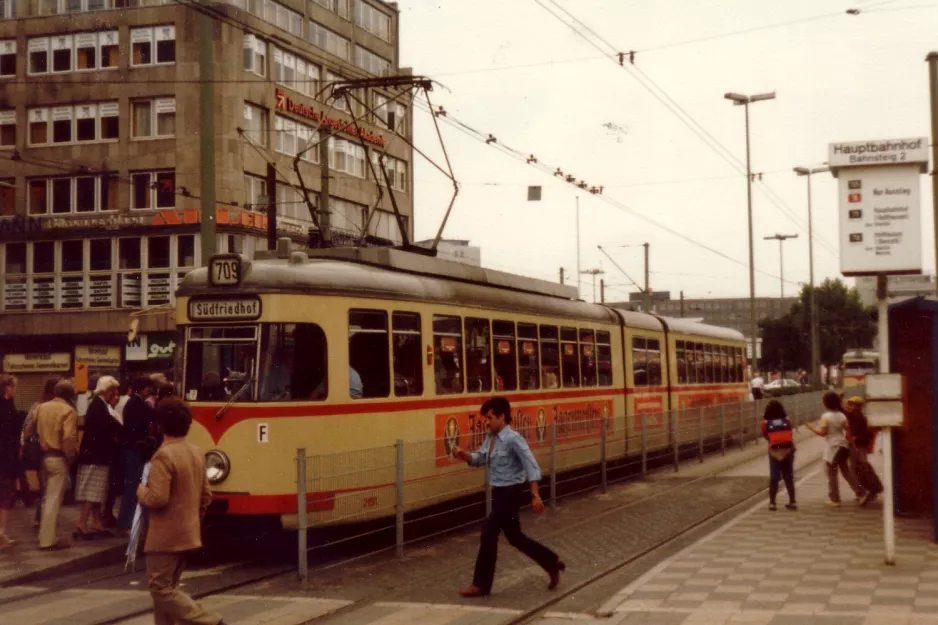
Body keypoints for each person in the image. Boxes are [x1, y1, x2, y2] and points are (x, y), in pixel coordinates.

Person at [451, 397, 565, 597]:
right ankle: (551, 562)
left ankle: (481, 585)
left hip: (511, 493)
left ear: (501, 416)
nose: (486, 422)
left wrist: (535, 494)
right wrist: (465, 456)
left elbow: (531, 465)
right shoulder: (491, 438)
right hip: (500, 492)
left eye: (489, 417)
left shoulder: (514, 439)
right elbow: (480, 459)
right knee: (515, 537)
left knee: (488, 531)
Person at [137, 397, 225, 625]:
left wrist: (140, 492)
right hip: (188, 533)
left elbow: (157, 498)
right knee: (169, 590)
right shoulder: (195, 452)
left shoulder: (163, 455)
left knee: (161, 590)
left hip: (165, 537)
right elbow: (206, 495)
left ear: (159, 425)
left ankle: (210, 620)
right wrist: (192, 519)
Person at [26, 380, 79, 550]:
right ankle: (47, 540)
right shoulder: (69, 411)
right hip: (58, 458)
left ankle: (46, 535)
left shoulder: (40, 407)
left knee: (47, 498)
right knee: (54, 500)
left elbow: (28, 430)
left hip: (43, 458)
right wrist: (70, 458)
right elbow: (68, 438)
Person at [74, 376, 121, 539]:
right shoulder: (100, 406)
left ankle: (97, 522)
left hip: (92, 455)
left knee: (96, 491)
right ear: (107, 390)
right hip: (97, 457)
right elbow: (105, 430)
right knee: (93, 492)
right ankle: (81, 523)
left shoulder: (96, 404)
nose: (114, 394)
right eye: (113, 391)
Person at [806, 392, 867, 507]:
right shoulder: (842, 415)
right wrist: (853, 447)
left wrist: (811, 428)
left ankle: (835, 499)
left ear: (825, 403)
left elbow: (823, 433)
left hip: (834, 447)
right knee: (846, 471)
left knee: (831, 472)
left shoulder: (825, 416)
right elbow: (848, 433)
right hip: (844, 446)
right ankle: (861, 493)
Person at [117, 375, 157, 535]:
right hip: (135, 450)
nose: (150, 391)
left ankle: (131, 522)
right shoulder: (137, 403)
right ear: (143, 388)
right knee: (133, 487)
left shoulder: (133, 402)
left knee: (135, 485)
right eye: (148, 388)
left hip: (133, 449)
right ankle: (126, 523)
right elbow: (153, 415)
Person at [21, 377, 59, 529]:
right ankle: (44, 519)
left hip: (39, 452)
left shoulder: (37, 406)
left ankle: (40, 518)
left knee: (45, 488)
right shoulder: (54, 407)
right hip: (50, 451)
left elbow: (26, 429)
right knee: (50, 488)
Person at [844, 396, 883, 502]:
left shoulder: (861, 418)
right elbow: (842, 411)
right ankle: (865, 490)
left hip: (860, 445)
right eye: (849, 404)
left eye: (852, 405)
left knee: (863, 465)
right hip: (854, 445)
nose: (850, 407)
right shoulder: (853, 416)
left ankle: (873, 488)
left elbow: (869, 433)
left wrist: (857, 437)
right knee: (856, 467)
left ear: (858, 406)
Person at [760, 400, 796, 511]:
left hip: (774, 452)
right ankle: (792, 502)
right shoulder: (788, 420)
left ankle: (772, 503)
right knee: (788, 476)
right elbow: (790, 433)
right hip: (788, 450)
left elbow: (767, 436)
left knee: (774, 477)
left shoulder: (764, 423)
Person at [0, 375, 19, 548]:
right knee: (5, 496)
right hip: (5, 459)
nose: (15, 390)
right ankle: (1, 535)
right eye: (13, 387)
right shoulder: (7, 407)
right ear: (6, 388)